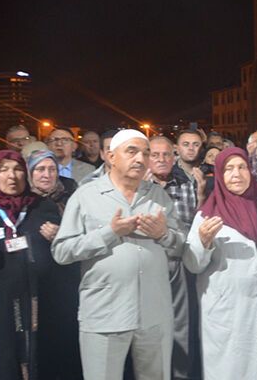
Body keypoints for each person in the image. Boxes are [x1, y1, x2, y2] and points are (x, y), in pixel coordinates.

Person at [51, 129, 185, 380]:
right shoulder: (86, 195)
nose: (140, 159)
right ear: (111, 157)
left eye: (145, 153)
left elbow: (181, 246)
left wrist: (163, 234)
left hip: (154, 314)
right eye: (132, 151)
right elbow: (62, 251)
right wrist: (110, 232)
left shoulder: (158, 195)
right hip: (105, 314)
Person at [184, 147, 257, 379]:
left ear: (250, 170)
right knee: (234, 368)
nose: (236, 174)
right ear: (219, 175)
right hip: (230, 312)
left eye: (241, 167)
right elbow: (193, 263)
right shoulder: (207, 215)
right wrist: (203, 242)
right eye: (228, 169)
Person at [0, 150, 62, 380]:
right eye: (4, 170)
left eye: (18, 169)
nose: (12, 176)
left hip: (40, 300)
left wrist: (59, 237)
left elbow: (66, 253)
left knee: (42, 358)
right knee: (0, 359)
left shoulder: (43, 208)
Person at [148, 136, 204, 380]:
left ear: (175, 157)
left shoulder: (187, 183)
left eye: (167, 154)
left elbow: (195, 222)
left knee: (181, 328)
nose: (161, 159)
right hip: (148, 265)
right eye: (155, 155)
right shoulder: (138, 186)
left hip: (178, 263)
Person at [25, 149, 83, 379]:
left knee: (66, 337)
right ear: (30, 173)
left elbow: (84, 233)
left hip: (66, 281)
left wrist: (63, 234)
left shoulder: (70, 197)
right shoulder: (23, 202)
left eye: (52, 169)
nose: (46, 175)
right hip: (34, 284)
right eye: (40, 169)